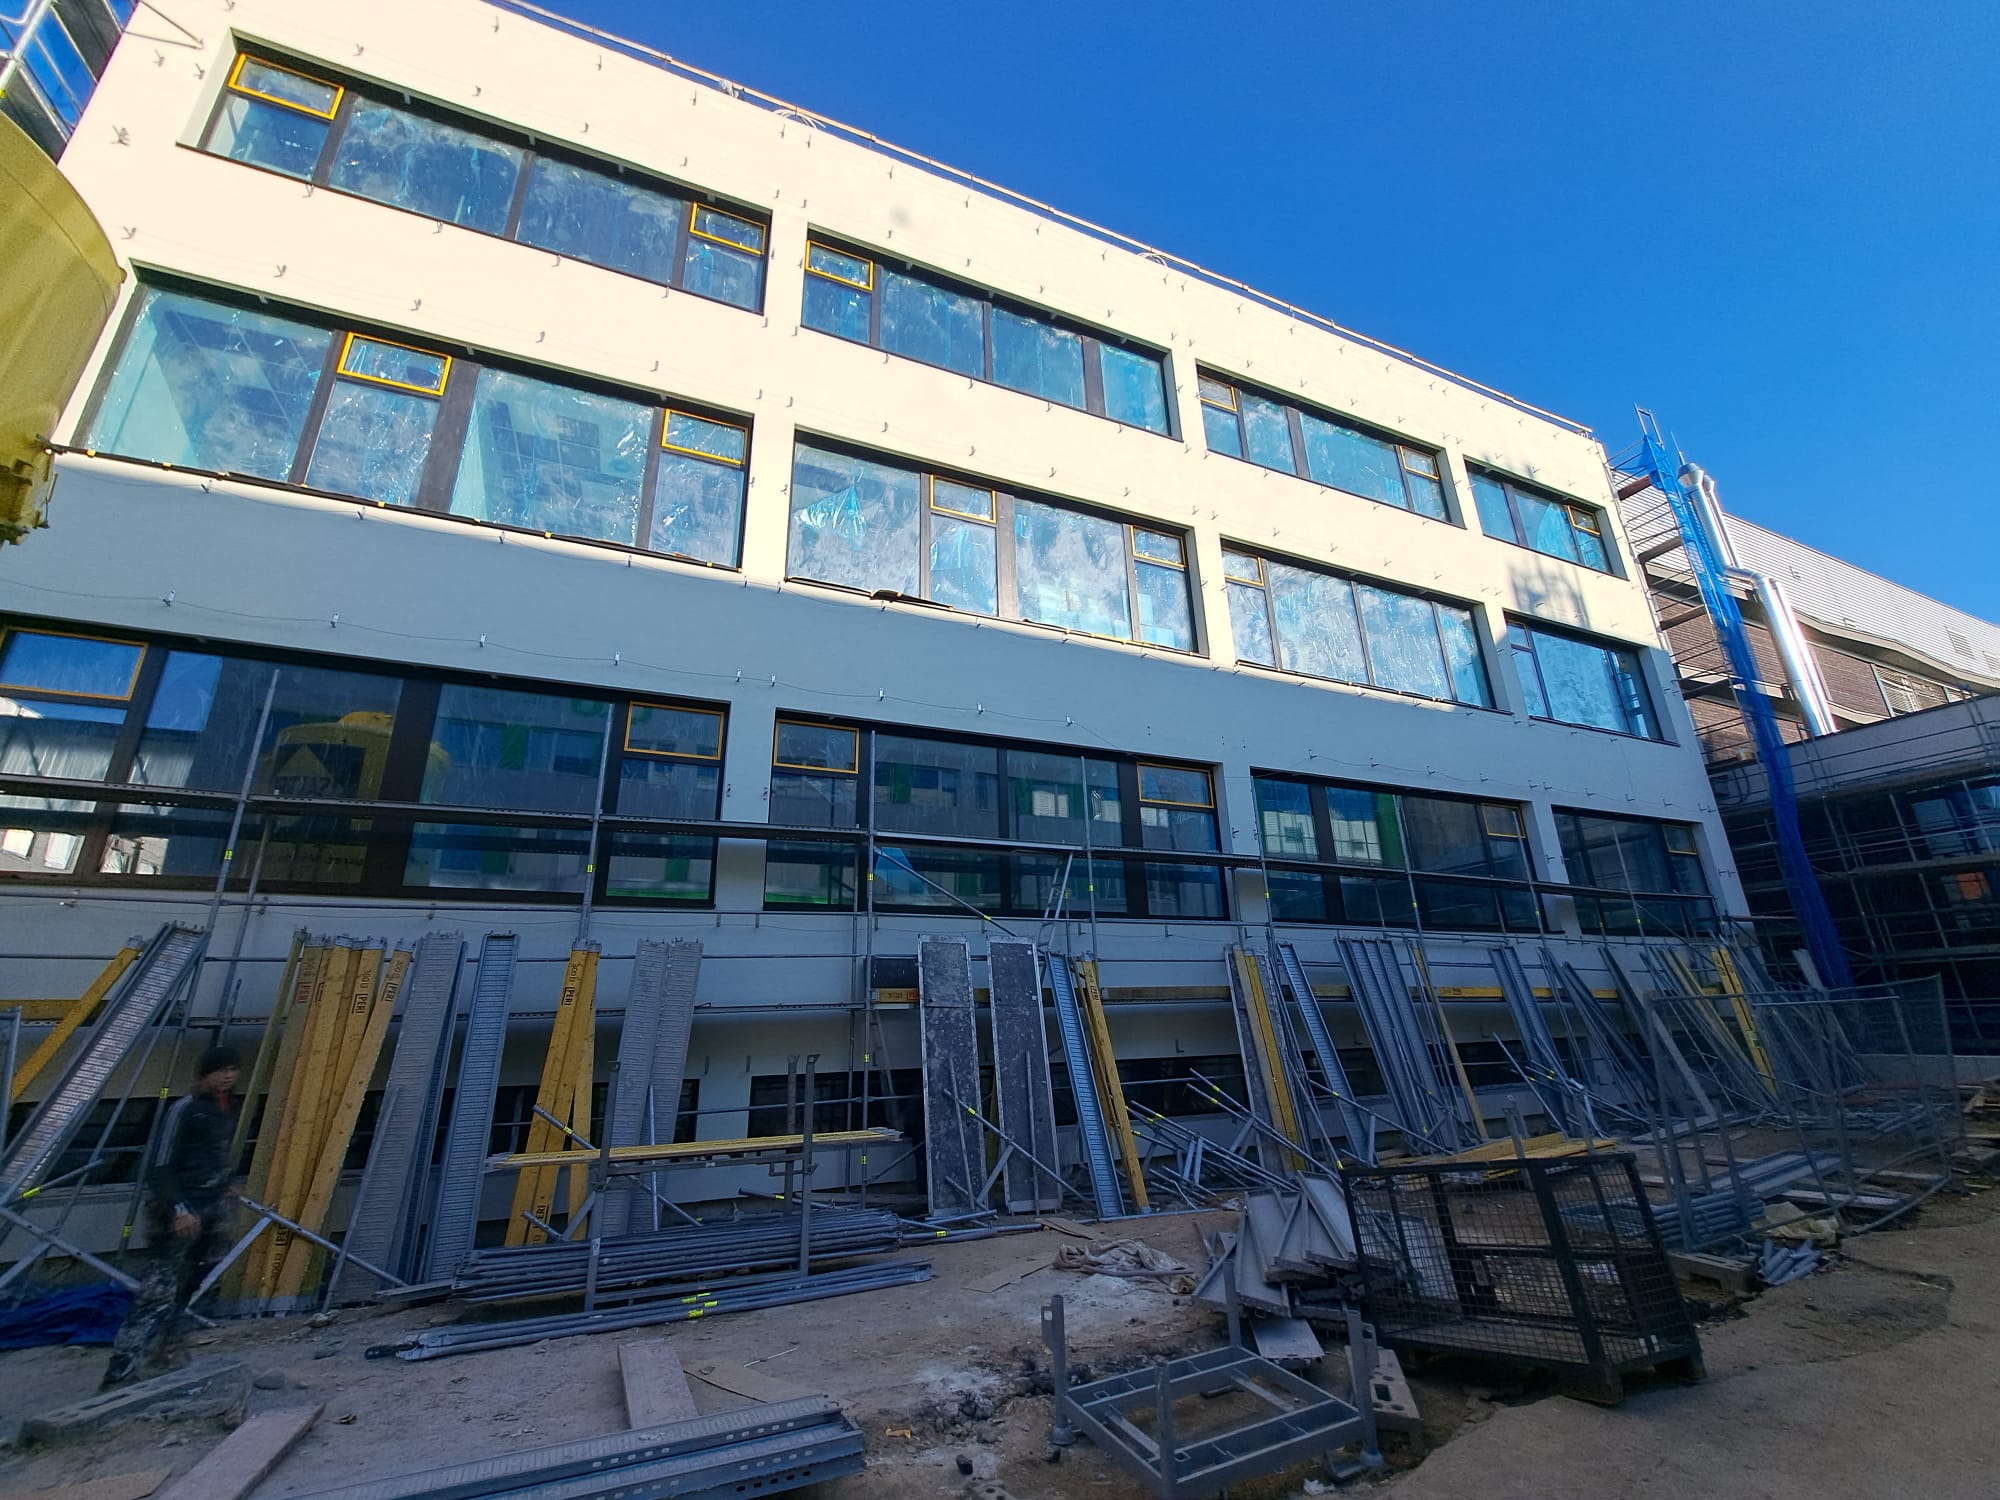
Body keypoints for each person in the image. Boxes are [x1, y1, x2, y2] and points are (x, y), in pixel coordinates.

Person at [100, 1044, 241, 1389]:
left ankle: (166, 1352)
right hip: (178, 1213)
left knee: (195, 1284)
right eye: (219, 1071)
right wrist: (179, 1208)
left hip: (211, 1207)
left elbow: (210, 1157)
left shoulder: (221, 1109)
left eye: (231, 1070)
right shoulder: (184, 1109)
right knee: (158, 1288)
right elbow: (160, 1166)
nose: (226, 1077)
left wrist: (224, 1184)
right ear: (203, 1074)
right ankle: (121, 1367)